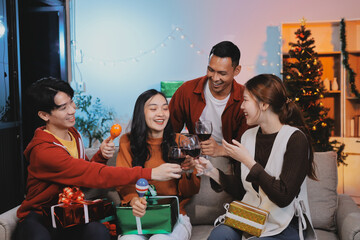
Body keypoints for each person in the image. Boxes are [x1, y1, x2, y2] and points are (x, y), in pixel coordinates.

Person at [15, 78, 182, 240]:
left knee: (98, 231)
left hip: (69, 214)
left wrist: (101, 156)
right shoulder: (44, 151)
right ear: (45, 115)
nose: (72, 110)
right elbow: (94, 174)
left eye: (71, 103)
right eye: (63, 107)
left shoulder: (73, 134)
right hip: (41, 216)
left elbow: (81, 174)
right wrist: (151, 173)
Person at [196, 74, 317, 240]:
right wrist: (211, 171)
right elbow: (241, 189)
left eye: (245, 100)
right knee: (219, 236)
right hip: (250, 216)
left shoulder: (295, 139)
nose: (241, 107)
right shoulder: (247, 136)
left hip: (284, 222)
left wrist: (248, 161)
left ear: (264, 104)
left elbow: (283, 197)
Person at [168, 40, 249, 221]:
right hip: (194, 157)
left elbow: (249, 148)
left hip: (229, 159)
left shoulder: (244, 98)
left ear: (236, 71)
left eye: (222, 73)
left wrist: (221, 150)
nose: (215, 78)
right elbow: (168, 133)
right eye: (211, 70)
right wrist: (185, 142)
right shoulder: (187, 91)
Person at [116, 89, 200, 240]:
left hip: (174, 217)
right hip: (140, 217)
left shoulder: (181, 141)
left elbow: (191, 191)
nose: (161, 113)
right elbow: (123, 181)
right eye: (153, 109)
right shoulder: (127, 141)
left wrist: (189, 172)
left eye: (165, 108)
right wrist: (134, 199)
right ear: (141, 113)